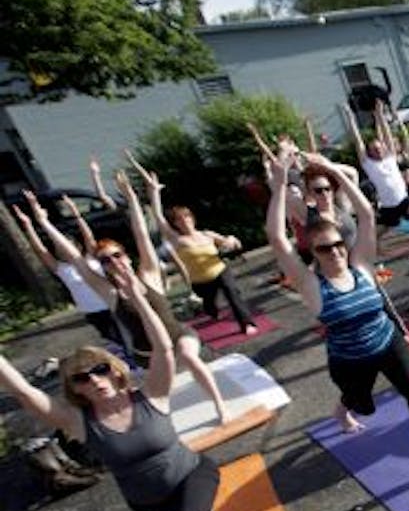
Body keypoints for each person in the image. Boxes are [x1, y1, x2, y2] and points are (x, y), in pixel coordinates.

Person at [0, 257, 261, 511]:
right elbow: (27, 394)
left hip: (192, 473)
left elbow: (164, 348)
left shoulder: (152, 393)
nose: (94, 380)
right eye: (82, 379)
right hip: (149, 503)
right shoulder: (78, 421)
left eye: (100, 369)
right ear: (74, 389)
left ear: (114, 370)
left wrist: (136, 296)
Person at [262, 143, 409, 482]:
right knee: (359, 401)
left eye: (338, 245)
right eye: (324, 249)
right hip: (350, 359)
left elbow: (368, 215)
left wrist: (329, 166)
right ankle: (343, 410)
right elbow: (275, 236)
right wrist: (281, 182)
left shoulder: (360, 264)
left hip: (388, 343)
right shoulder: (311, 284)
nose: (334, 252)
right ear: (313, 252)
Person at [34, 172, 232, 423]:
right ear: (102, 266)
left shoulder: (149, 275)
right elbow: (74, 258)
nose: (114, 261)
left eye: (117, 255)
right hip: (146, 353)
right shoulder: (108, 291)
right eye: (105, 260)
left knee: (191, 358)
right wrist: (44, 223)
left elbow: (141, 233)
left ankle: (219, 406)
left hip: (177, 336)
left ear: (126, 256)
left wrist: (132, 199)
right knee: (152, 389)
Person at [128, 154, 258, 335]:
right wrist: (154, 192)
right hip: (200, 281)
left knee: (232, 292)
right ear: (176, 224)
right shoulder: (176, 239)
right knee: (210, 305)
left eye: (187, 217)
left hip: (219, 271)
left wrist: (232, 240)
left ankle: (247, 323)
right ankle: (211, 311)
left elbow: (230, 241)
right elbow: (157, 216)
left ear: (192, 219)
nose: (185, 221)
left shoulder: (206, 234)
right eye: (180, 219)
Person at [11, 195, 133, 354]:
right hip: (92, 311)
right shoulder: (60, 268)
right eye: (58, 247)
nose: (62, 249)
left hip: (113, 303)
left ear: (77, 246)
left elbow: (88, 235)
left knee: (131, 334)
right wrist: (28, 225)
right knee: (115, 339)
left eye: (67, 245)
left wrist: (75, 212)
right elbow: (40, 250)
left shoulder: (90, 257)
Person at [341, 102, 409, 251]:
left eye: (380, 148)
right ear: (370, 152)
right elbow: (358, 140)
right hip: (388, 205)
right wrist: (350, 116)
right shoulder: (369, 164)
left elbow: (386, 133)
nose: (379, 151)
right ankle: (375, 245)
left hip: (403, 200)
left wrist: (380, 114)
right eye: (375, 149)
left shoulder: (390, 157)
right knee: (384, 228)